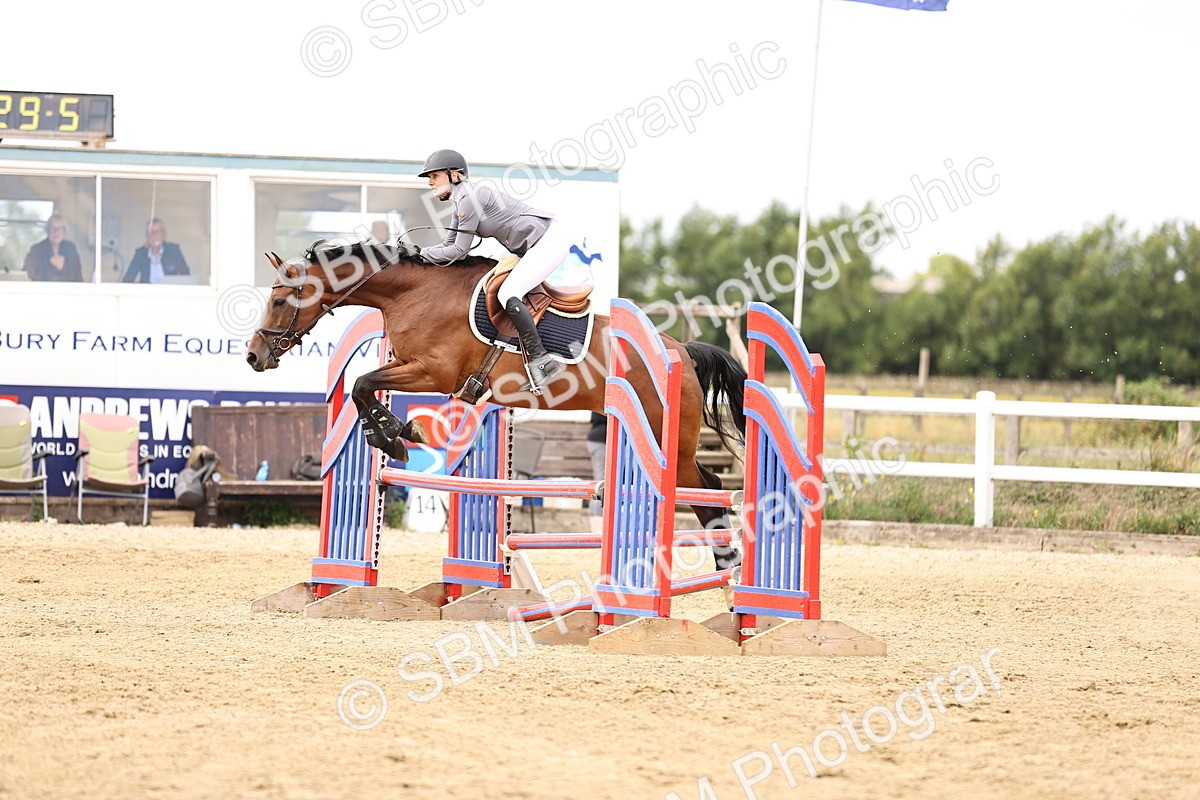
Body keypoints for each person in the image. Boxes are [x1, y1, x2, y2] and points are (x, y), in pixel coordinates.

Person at [415, 149, 589, 393]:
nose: (430, 181)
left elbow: (458, 252)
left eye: (434, 175)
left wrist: (418, 254)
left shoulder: (468, 198)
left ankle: (542, 361)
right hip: (535, 245)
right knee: (502, 285)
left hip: (548, 242)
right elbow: (448, 246)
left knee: (508, 293)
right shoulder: (460, 201)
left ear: (453, 175)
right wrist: (418, 254)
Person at [122, 218, 190, 283]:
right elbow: (128, 279)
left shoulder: (173, 250)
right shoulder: (140, 254)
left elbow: (186, 275)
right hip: (148, 292)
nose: (154, 236)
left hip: (169, 292)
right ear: (147, 236)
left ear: (163, 234)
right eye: (151, 233)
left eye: (157, 232)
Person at [24, 214, 83, 282]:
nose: (56, 232)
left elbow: (79, 279)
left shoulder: (71, 249)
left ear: (64, 231)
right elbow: (27, 276)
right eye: (53, 228)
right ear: (47, 230)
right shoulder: (36, 250)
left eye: (60, 228)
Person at [586, 412, 607, 535]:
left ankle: (597, 529)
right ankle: (597, 530)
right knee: (602, 485)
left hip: (599, 438)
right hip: (601, 439)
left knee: (601, 484)